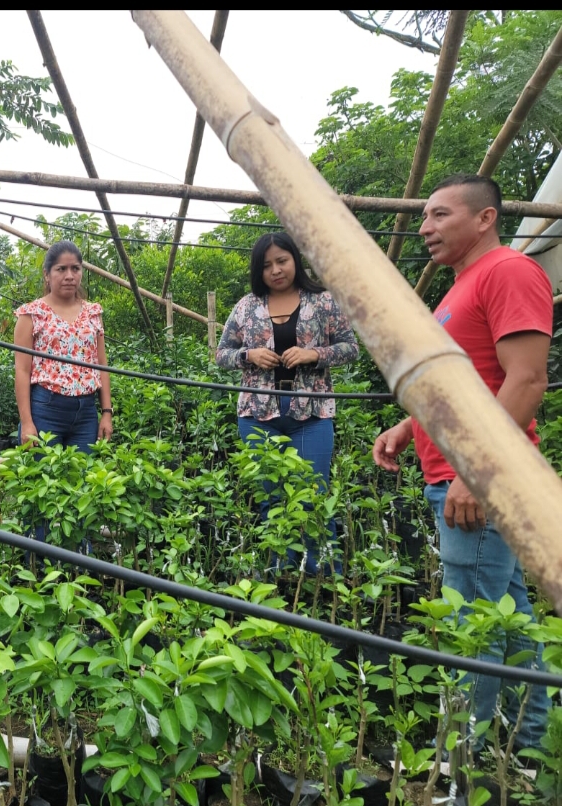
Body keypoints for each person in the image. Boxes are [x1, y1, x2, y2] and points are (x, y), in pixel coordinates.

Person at [373, 174, 551, 752]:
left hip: (477, 480)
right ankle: (529, 749)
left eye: (439, 214)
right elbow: (465, 382)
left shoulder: (508, 271)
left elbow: (527, 378)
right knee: (508, 620)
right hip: (456, 476)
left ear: (484, 218)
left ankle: (463, 760)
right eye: (425, 216)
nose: (424, 227)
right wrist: (410, 425)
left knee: (469, 625)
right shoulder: (460, 287)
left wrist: (475, 470)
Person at [216, 232, 359, 574]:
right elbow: (221, 354)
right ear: (259, 270)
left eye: (282, 261)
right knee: (271, 500)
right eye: (267, 265)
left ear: (295, 260)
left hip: (311, 414)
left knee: (313, 498)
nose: (276, 270)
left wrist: (314, 354)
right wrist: (248, 355)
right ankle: (279, 575)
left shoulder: (323, 301)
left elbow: (350, 347)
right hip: (257, 415)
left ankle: (324, 579)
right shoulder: (247, 306)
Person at [13, 240, 112, 453]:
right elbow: (22, 371)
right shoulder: (31, 314)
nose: (69, 276)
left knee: (84, 472)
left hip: (86, 414)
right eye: (61, 269)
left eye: (75, 268)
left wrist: (106, 412)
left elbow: (102, 365)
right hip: (45, 410)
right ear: (47, 274)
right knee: (42, 471)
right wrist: (27, 422)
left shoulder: (93, 313)